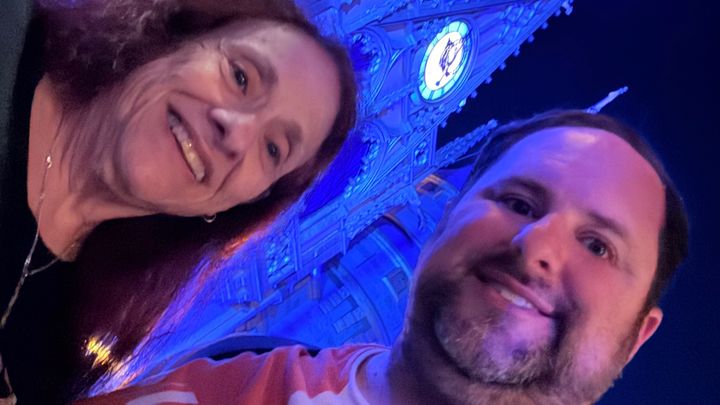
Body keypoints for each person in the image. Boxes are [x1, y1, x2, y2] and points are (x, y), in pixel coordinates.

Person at [79, 109, 688, 404]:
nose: (540, 246)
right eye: (518, 202)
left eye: (598, 245)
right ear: (442, 219)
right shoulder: (221, 386)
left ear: (639, 336)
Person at [0, 0, 357, 403]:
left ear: (242, 202)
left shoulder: (71, 334)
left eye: (273, 149)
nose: (236, 134)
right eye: (240, 76)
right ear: (173, 38)